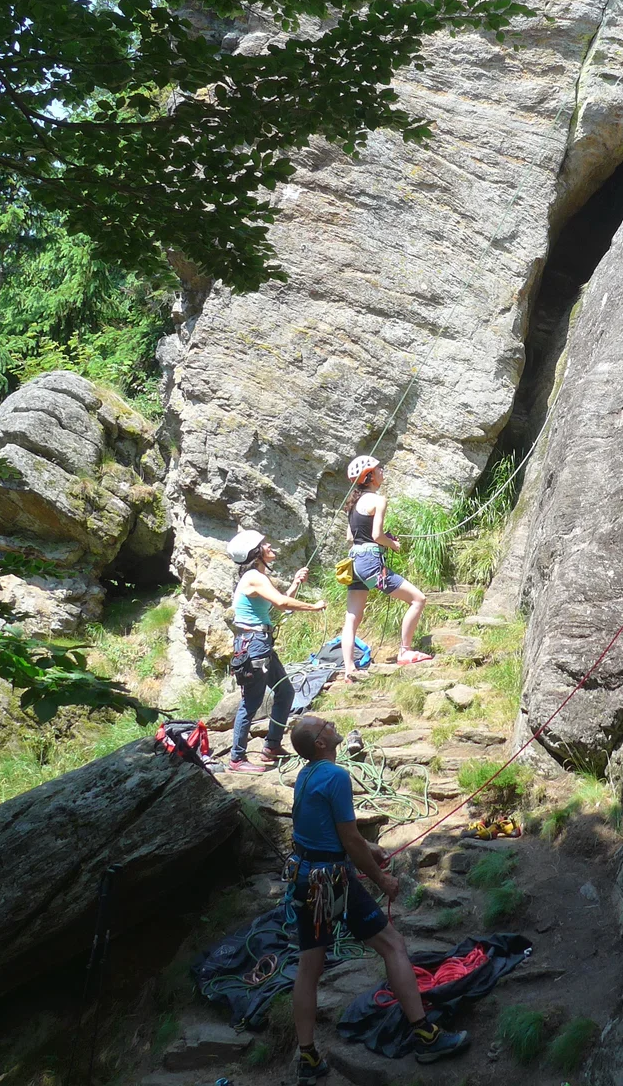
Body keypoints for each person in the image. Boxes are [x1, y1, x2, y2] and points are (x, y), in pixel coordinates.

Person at [286, 714, 470, 1079]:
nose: (329, 723)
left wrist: (370, 847)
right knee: (393, 945)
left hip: (304, 878)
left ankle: (306, 1057)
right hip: (332, 880)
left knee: (309, 967)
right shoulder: (336, 776)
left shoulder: (306, 775)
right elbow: (349, 841)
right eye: (324, 725)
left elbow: (328, 830)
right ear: (321, 743)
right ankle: (425, 1036)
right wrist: (380, 878)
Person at [224, 529, 322, 773]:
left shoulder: (255, 577)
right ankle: (237, 758)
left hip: (260, 644)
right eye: (264, 544)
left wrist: (295, 584)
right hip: (254, 646)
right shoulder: (254, 577)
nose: (270, 546)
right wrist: (313, 606)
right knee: (251, 703)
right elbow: (281, 603)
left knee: (286, 692)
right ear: (256, 553)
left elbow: (277, 603)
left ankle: (271, 746)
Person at [342, 455, 433, 673]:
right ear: (370, 476)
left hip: (354, 562)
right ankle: (405, 651)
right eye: (378, 468)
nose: (382, 471)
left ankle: (348, 668)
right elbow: (376, 535)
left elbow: (350, 537)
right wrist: (393, 544)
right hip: (370, 562)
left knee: (352, 616)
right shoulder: (378, 500)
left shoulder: (353, 504)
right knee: (418, 599)